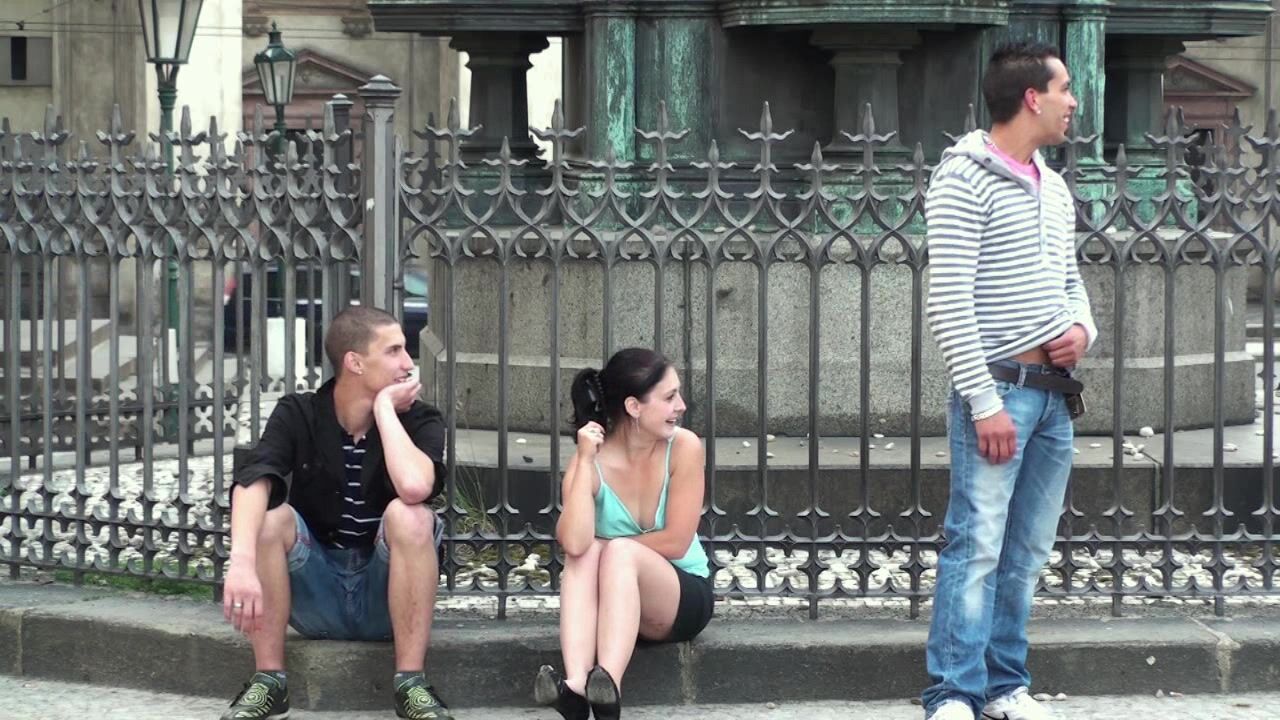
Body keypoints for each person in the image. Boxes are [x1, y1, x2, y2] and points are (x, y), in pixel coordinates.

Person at [922, 42, 1097, 720]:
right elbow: (949, 303)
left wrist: (1082, 331)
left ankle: (1003, 685)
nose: (1072, 101)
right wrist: (984, 402)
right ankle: (953, 691)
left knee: (1026, 551)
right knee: (976, 545)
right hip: (1001, 391)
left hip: (1054, 397)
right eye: (1064, 88)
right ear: (1032, 97)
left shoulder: (1052, 186)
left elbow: (1071, 282)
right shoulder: (962, 179)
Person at [221, 305, 453, 720]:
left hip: (388, 601)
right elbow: (253, 478)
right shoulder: (300, 413)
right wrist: (239, 563)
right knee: (271, 518)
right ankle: (269, 681)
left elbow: (416, 487)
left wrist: (384, 411)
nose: (408, 363)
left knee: (412, 515)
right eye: (394, 351)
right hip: (317, 596)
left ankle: (411, 684)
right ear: (355, 362)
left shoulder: (420, 419)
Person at [533, 348, 714, 720]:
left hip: (679, 596)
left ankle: (608, 687)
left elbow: (677, 541)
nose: (681, 405)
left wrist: (609, 548)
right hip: (614, 606)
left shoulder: (684, 447)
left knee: (614, 551)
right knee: (586, 553)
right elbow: (574, 543)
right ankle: (577, 685)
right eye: (669, 397)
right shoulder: (591, 460)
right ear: (634, 406)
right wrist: (585, 461)